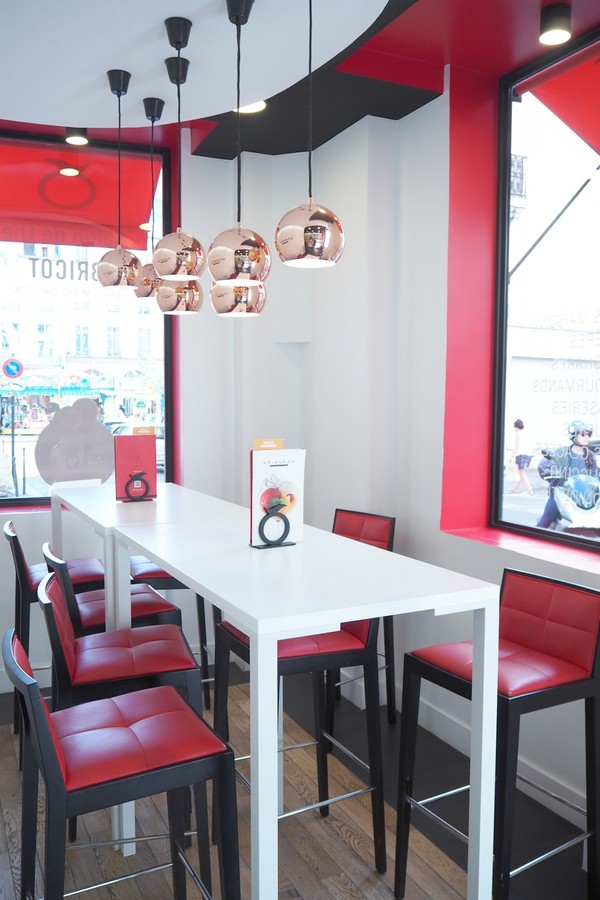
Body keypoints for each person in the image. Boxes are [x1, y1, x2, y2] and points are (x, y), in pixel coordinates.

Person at [536, 419, 600, 529]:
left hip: (586, 496)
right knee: (543, 523)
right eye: (583, 434)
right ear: (574, 435)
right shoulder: (562, 452)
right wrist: (549, 473)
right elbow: (544, 464)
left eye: (588, 435)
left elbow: (595, 473)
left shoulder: (590, 455)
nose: (587, 437)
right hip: (563, 494)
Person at [508, 418, 533, 494]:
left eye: (514, 427)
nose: (514, 428)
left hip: (521, 455)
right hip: (528, 455)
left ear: (516, 427)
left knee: (522, 474)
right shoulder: (525, 434)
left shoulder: (517, 434)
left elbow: (516, 447)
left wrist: (511, 456)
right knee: (521, 473)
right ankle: (516, 488)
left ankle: (529, 490)